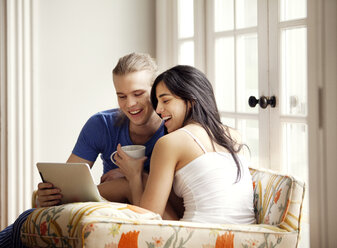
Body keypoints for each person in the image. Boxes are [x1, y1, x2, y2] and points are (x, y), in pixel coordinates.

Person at [0, 52, 167, 247]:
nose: (129, 104)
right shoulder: (101, 124)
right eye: (121, 96)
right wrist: (49, 196)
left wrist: (129, 176)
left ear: (156, 90)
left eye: (138, 94)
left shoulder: (171, 132)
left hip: (127, 220)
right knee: (26, 222)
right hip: (99, 216)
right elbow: (69, 184)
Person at [100, 65, 256, 223]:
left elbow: (148, 220)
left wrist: (133, 176)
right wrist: (141, 176)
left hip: (199, 237)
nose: (159, 110)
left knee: (132, 183)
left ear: (190, 101)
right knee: (144, 179)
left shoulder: (170, 143)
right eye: (157, 102)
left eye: (165, 100)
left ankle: (75, 199)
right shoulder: (234, 135)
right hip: (244, 237)